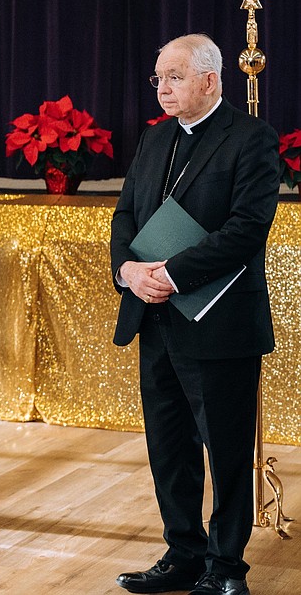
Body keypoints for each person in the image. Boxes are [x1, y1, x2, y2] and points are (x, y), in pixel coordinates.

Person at [110, 34, 279, 595]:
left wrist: (172, 274)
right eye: (158, 78)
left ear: (210, 80)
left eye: (175, 77)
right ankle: (183, 553)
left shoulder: (251, 139)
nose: (163, 88)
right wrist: (129, 273)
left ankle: (226, 568)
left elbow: (247, 230)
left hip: (219, 322)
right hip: (155, 318)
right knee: (169, 446)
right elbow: (126, 217)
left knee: (226, 449)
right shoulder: (154, 141)